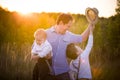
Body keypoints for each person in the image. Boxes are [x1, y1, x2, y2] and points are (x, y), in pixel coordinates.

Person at [45, 13, 94, 80]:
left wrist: (90, 26)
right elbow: (34, 50)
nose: (68, 29)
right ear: (61, 23)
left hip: (63, 74)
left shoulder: (68, 35)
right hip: (48, 74)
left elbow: (82, 38)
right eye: (68, 26)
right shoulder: (46, 33)